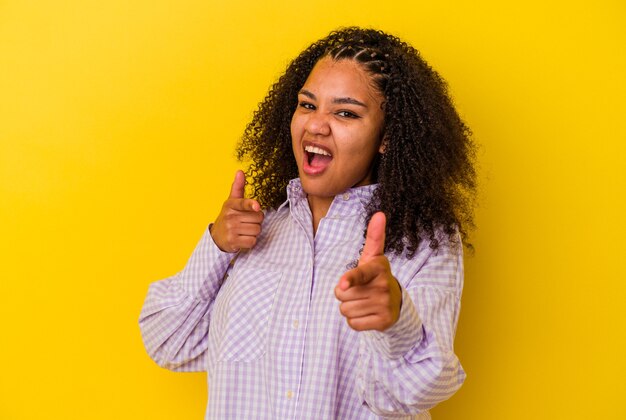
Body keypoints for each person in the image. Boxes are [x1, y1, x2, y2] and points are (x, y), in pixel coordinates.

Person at [139, 26, 476, 419]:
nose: (317, 125)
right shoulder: (258, 231)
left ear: (387, 137)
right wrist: (216, 245)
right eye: (307, 105)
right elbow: (169, 343)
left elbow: (411, 395)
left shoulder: (421, 242)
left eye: (346, 112)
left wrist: (395, 322)